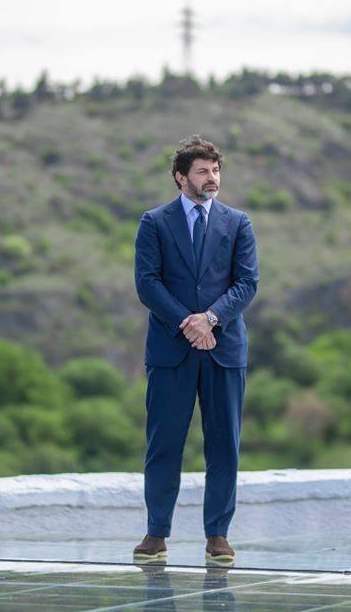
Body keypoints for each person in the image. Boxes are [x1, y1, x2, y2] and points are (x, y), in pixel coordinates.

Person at [132, 134, 259, 565]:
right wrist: (189, 323)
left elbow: (247, 282)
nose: (212, 178)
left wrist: (211, 319)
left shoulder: (238, 222)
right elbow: (147, 283)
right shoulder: (154, 222)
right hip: (172, 349)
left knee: (224, 445)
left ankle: (218, 535)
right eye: (203, 171)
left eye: (216, 170)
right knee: (164, 444)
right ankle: (156, 533)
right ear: (180, 177)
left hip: (224, 348)